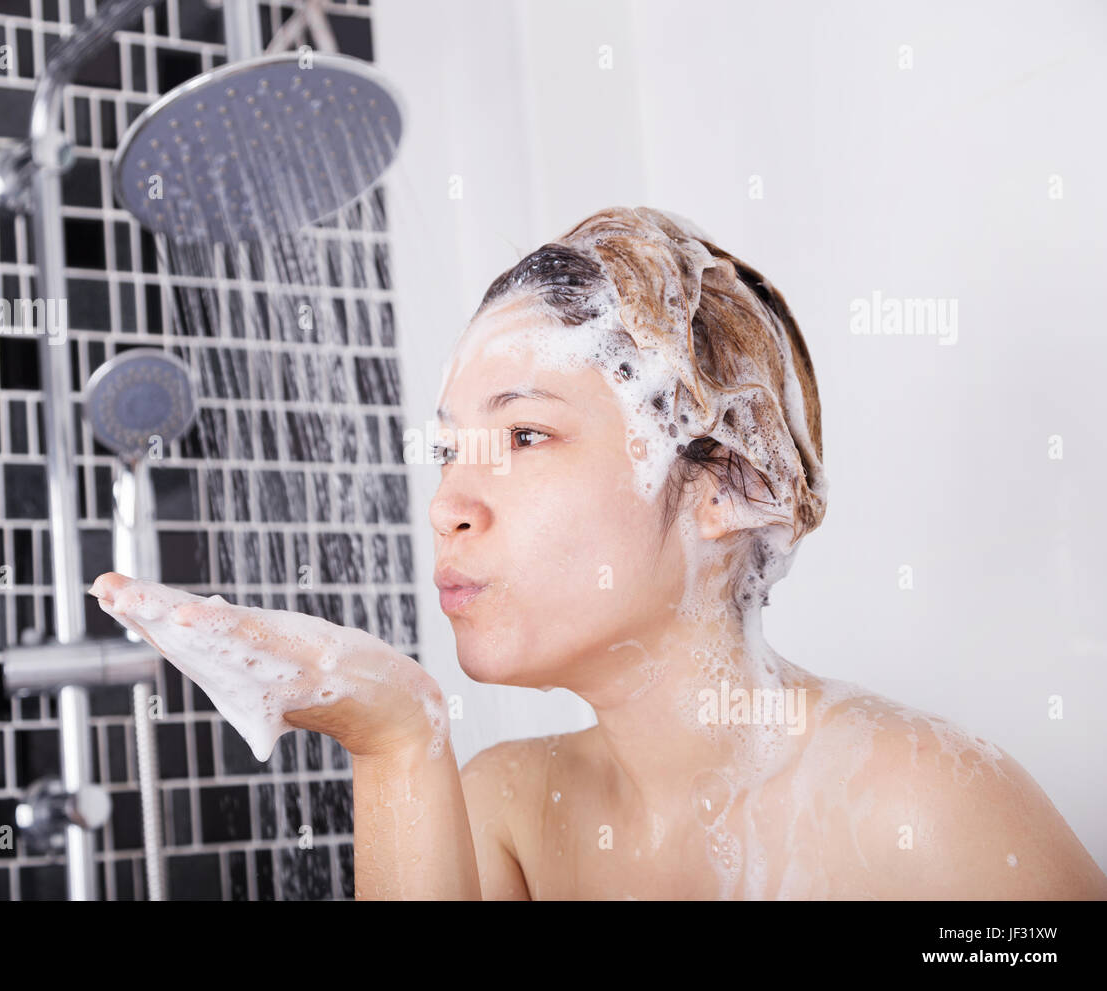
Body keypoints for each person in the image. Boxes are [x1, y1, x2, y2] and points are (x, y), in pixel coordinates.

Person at [91, 207, 1107, 899]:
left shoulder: (921, 809)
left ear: (727, 485)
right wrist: (395, 743)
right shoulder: (504, 812)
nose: (447, 502)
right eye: (448, 451)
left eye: (523, 435)